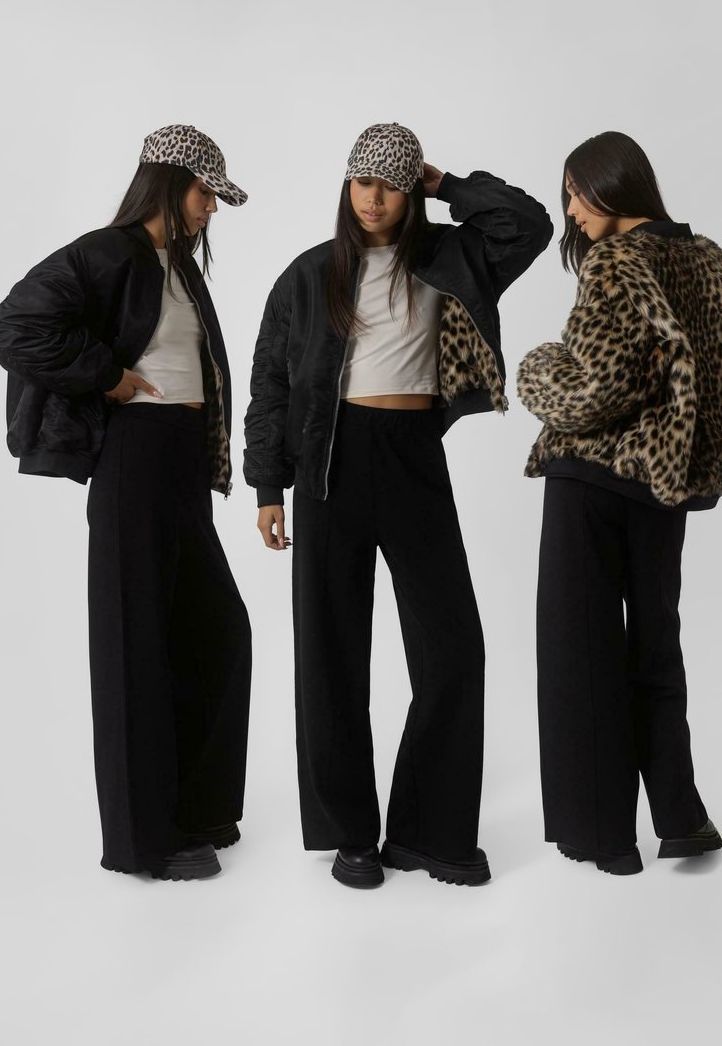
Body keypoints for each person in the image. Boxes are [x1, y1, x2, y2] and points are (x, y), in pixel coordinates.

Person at [245, 121, 552, 888]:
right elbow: (270, 383)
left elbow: (530, 224)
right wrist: (267, 487)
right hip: (330, 463)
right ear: (346, 186)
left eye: (390, 185)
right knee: (332, 653)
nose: (374, 198)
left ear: (411, 191)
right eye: (362, 182)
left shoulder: (453, 256)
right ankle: (351, 836)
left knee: (454, 649)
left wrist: (446, 185)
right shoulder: (309, 275)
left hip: (413, 455)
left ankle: (429, 834)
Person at [0, 124, 253, 881]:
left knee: (217, 632)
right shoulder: (109, 253)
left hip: (179, 460)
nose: (211, 208)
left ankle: (194, 810)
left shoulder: (178, 266)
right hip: (134, 455)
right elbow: (11, 325)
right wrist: (104, 374)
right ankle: (143, 844)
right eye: (205, 192)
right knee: (133, 643)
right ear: (168, 183)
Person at [516, 130, 722, 875]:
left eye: (575, 192)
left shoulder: (615, 261)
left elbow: (596, 386)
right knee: (656, 644)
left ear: (612, 183)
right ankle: (682, 819)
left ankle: (605, 839)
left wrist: (536, 369)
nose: (571, 210)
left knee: (580, 651)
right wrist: (699, 464)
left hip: (590, 481)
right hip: (663, 487)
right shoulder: (706, 258)